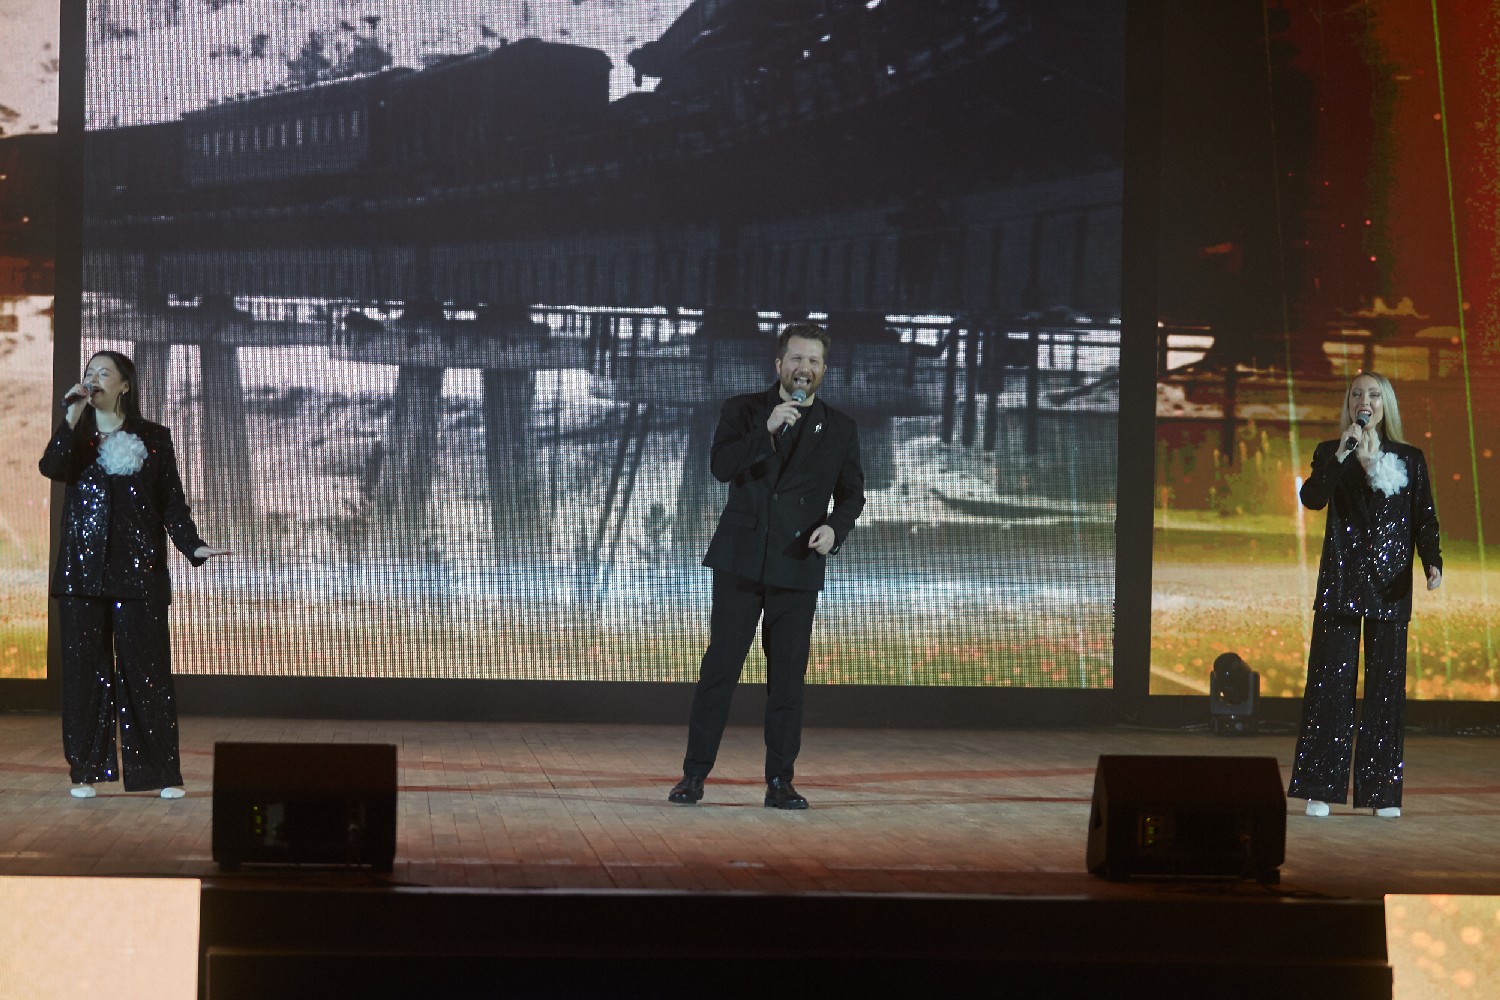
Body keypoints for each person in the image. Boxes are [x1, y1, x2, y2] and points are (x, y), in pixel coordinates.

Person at [669, 323, 865, 809]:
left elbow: (852, 495)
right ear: (779, 365)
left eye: (814, 361)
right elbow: (721, 467)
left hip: (797, 565)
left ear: (823, 370)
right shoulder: (744, 411)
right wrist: (767, 430)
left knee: (787, 680)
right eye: (796, 359)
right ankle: (693, 775)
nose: (805, 368)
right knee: (720, 670)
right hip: (740, 561)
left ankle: (780, 781)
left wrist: (835, 529)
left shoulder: (840, 428)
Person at [39, 351, 229, 799]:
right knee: (84, 676)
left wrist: (193, 545)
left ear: (124, 384)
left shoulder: (154, 437)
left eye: (103, 373)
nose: (93, 378)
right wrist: (71, 416)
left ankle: (161, 773)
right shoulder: (76, 435)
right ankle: (85, 771)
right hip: (81, 575)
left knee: (148, 675)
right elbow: (52, 468)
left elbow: (170, 502)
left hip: (139, 574)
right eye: (89, 372)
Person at [1288, 371, 1441, 819]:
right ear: (1349, 403)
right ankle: (1320, 788)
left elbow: (1423, 517)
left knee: (1385, 692)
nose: (1364, 401)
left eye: (1373, 394)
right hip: (1341, 582)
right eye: (1357, 394)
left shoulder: (1410, 459)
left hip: (1391, 586)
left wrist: (1432, 561)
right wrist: (1342, 453)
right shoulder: (1330, 451)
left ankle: (1381, 793)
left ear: (1385, 404)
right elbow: (1312, 498)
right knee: (1329, 687)